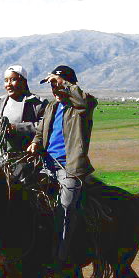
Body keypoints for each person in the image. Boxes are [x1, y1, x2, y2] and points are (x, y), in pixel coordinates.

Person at [26, 65, 98, 262]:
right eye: (52, 86)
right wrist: (34, 143)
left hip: (70, 168)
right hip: (46, 166)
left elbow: (85, 100)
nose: (54, 90)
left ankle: (61, 256)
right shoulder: (51, 107)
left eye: (57, 85)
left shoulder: (81, 107)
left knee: (65, 208)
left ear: (69, 84)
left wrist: (64, 84)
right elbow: (41, 132)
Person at [0, 65, 47, 160]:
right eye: (6, 80)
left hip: (28, 160)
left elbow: (45, 127)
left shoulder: (37, 103)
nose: (8, 84)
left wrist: (17, 128)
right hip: (2, 159)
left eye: (13, 80)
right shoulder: (0, 102)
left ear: (23, 82)